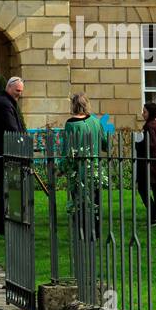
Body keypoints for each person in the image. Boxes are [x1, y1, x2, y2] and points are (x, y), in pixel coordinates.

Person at [0, 77, 26, 235]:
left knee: (5, 189)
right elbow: (13, 128)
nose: (19, 94)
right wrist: (23, 141)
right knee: (4, 190)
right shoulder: (3, 103)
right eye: (17, 91)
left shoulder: (5, 101)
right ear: (9, 88)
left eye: (21, 91)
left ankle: (2, 224)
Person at [63, 94, 107, 236]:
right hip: (94, 166)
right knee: (95, 199)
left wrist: (62, 168)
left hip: (78, 168)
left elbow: (67, 149)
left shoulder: (71, 124)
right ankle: (96, 230)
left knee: (79, 200)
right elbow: (105, 143)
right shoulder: (95, 121)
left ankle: (82, 230)